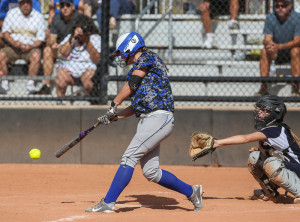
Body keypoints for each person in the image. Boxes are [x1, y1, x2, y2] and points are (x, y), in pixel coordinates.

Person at [85, 32, 203, 213]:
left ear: (130, 48)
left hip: (159, 118)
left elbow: (130, 86)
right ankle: (192, 191)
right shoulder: (138, 70)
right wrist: (114, 117)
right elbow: (136, 107)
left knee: (129, 158)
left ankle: (108, 202)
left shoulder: (147, 58)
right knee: (151, 172)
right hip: (149, 120)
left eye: (122, 52)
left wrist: (113, 105)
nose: (121, 57)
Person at [212, 95, 300, 203]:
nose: (259, 112)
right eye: (260, 109)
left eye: (264, 110)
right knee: (255, 157)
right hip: (292, 167)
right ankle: (271, 192)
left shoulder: (275, 130)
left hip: (298, 168)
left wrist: (217, 143)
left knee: (271, 163)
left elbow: (245, 138)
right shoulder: (272, 129)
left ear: (274, 114)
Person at [33, 0, 80, 95]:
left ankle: (81, 86)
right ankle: (47, 85)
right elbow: (52, 39)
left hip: (76, 50)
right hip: (60, 49)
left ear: (73, 7)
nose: (65, 8)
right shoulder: (56, 18)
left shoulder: (79, 19)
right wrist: (53, 44)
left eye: (68, 5)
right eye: (62, 6)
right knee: (47, 50)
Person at [254, 0, 300, 97]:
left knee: (295, 50)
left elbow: (297, 41)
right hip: (276, 51)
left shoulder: (297, 17)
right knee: (264, 51)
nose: (280, 8)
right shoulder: (270, 17)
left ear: (290, 6)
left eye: (283, 5)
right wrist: (269, 44)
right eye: (277, 5)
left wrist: (280, 46)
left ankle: (295, 88)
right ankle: (263, 88)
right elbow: (267, 38)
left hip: (291, 51)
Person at [0, 0, 45, 93]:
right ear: (19, 4)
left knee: (36, 55)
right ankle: (4, 83)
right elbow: (5, 32)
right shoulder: (11, 13)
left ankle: (31, 84)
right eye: (23, 3)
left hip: (30, 48)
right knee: (1, 54)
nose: (25, 5)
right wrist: (13, 43)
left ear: (31, 4)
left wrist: (31, 46)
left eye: (28, 3)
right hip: (13, 47)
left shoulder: (38, 17)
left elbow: (40, 39)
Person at [55, 14, 100, 101]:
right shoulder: (70, 37)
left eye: (84, 28)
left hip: (88, 70)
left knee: (87, 78)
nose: (81, 31)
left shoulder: (95, 38)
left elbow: (97, 58)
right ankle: (60, 103)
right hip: (71, 71)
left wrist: (87, 41)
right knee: (60, 74)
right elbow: (63, 53)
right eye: (79, 27)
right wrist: (73, 37)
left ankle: (94, 101)